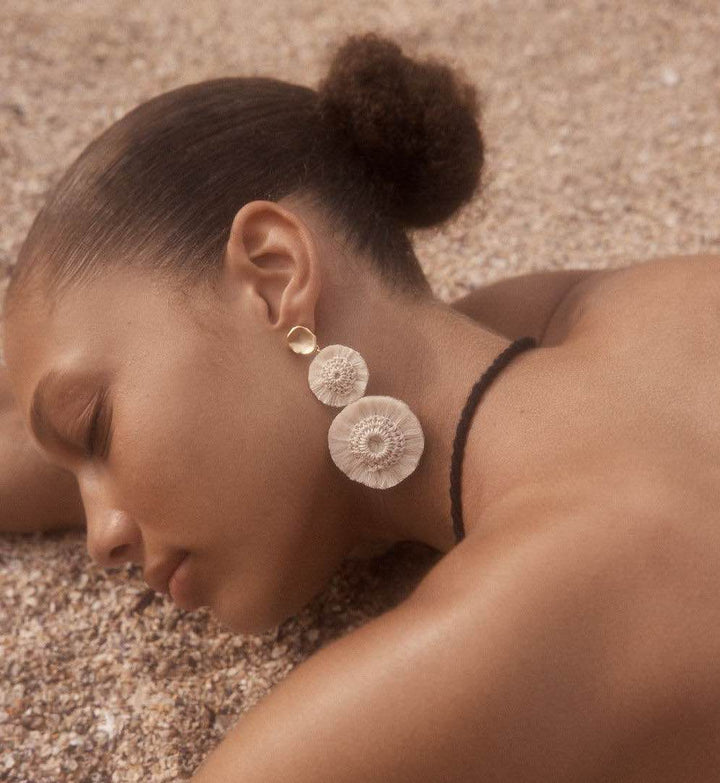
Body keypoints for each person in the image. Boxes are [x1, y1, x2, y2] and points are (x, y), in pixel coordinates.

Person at [2, 30, 719, 782]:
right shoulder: (641, 310)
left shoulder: (497, 640)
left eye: (96, 430)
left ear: (276, 276)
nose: (102, 540)